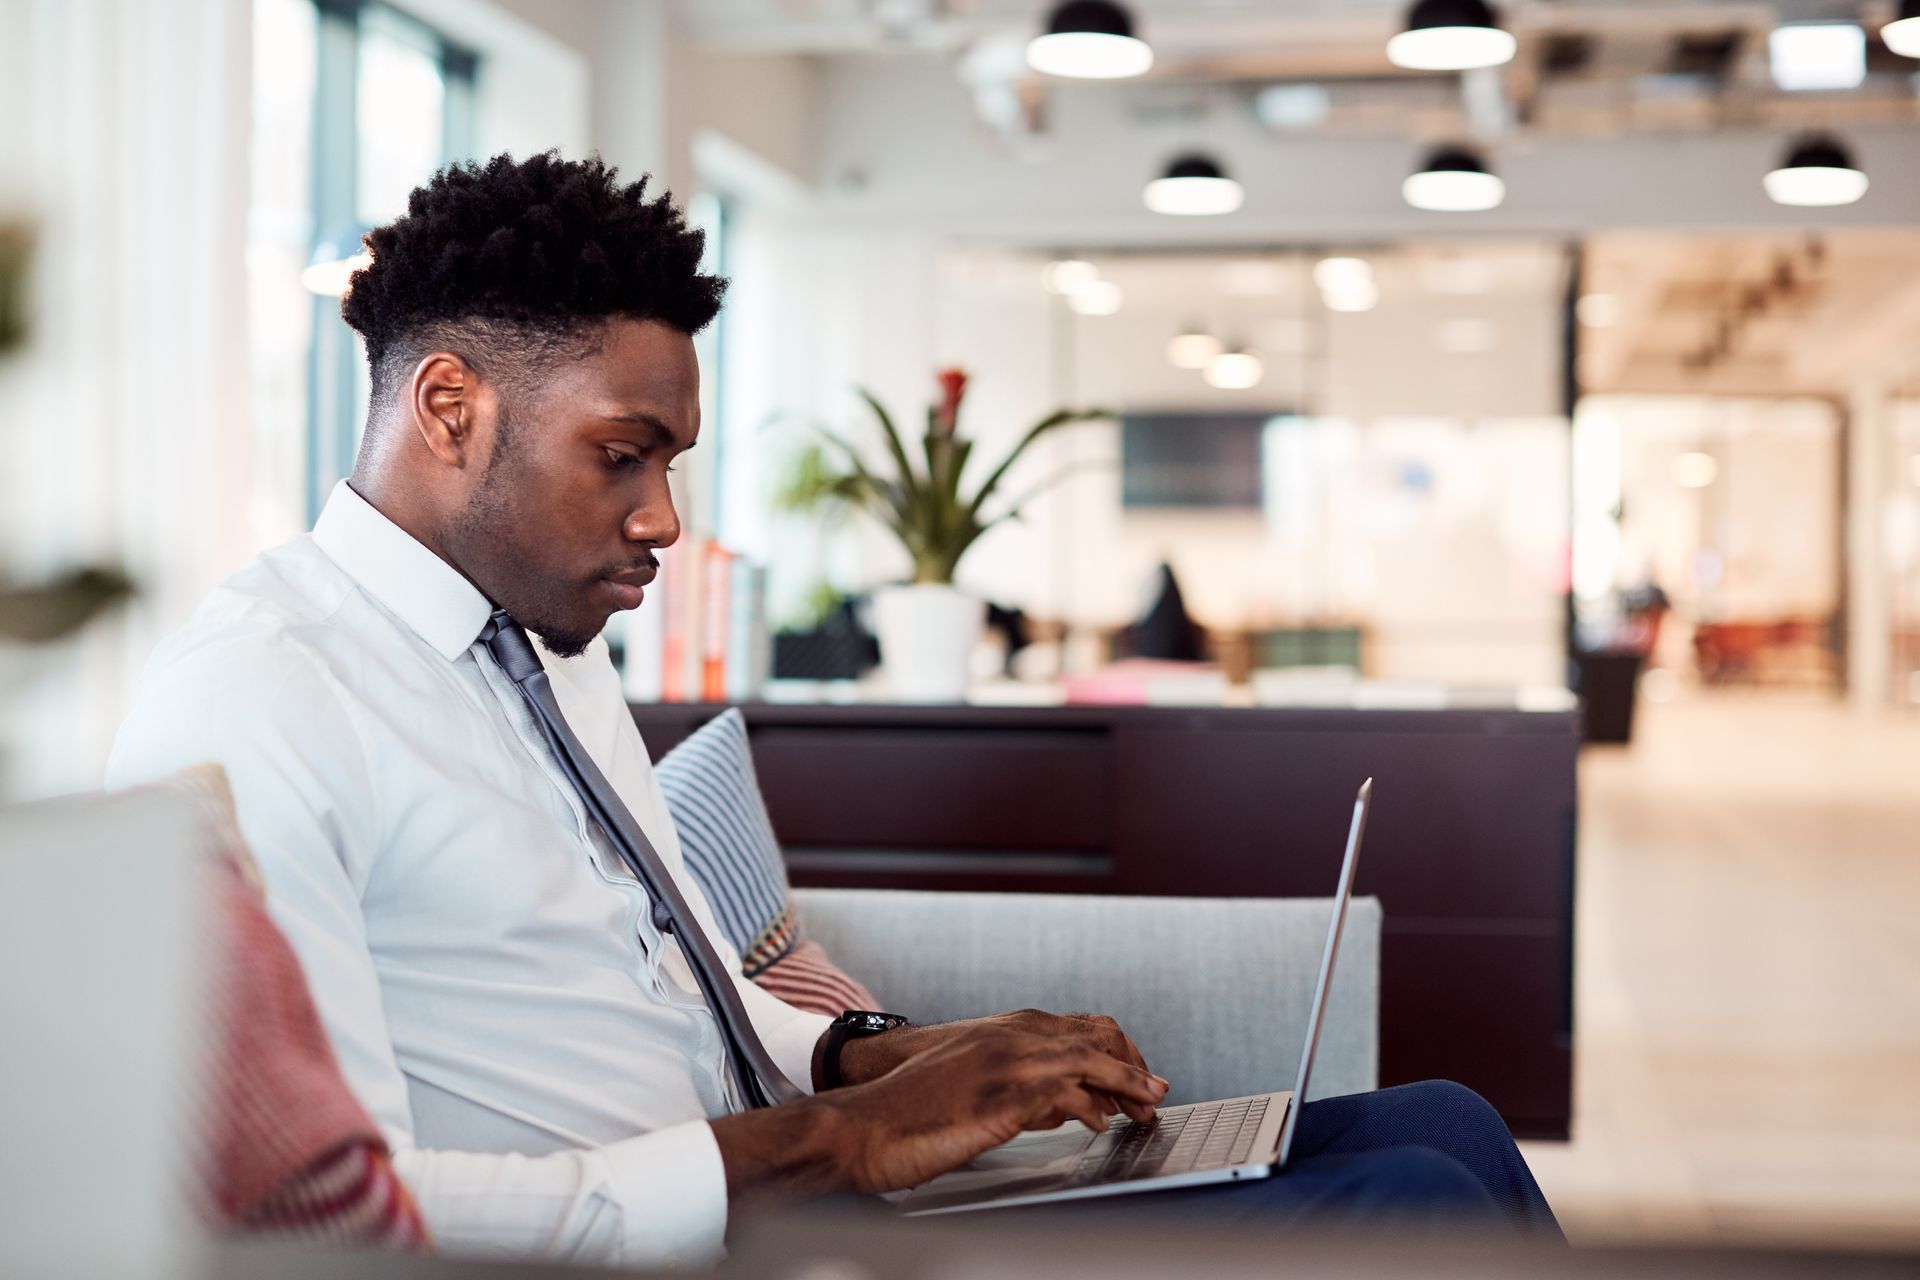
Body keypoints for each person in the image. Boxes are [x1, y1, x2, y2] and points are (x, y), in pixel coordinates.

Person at [107, 152, 1558, 1267]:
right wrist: (842, 1143)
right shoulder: (261, 698)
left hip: (797, 1195)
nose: (663, 519)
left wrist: (901, 1058)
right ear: (448, 409)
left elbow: (667, 997)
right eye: (624, 455)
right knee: (1418, 1203)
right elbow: (332, 1221)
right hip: (729, 1237)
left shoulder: (546, 647)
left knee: (1448, 1120)